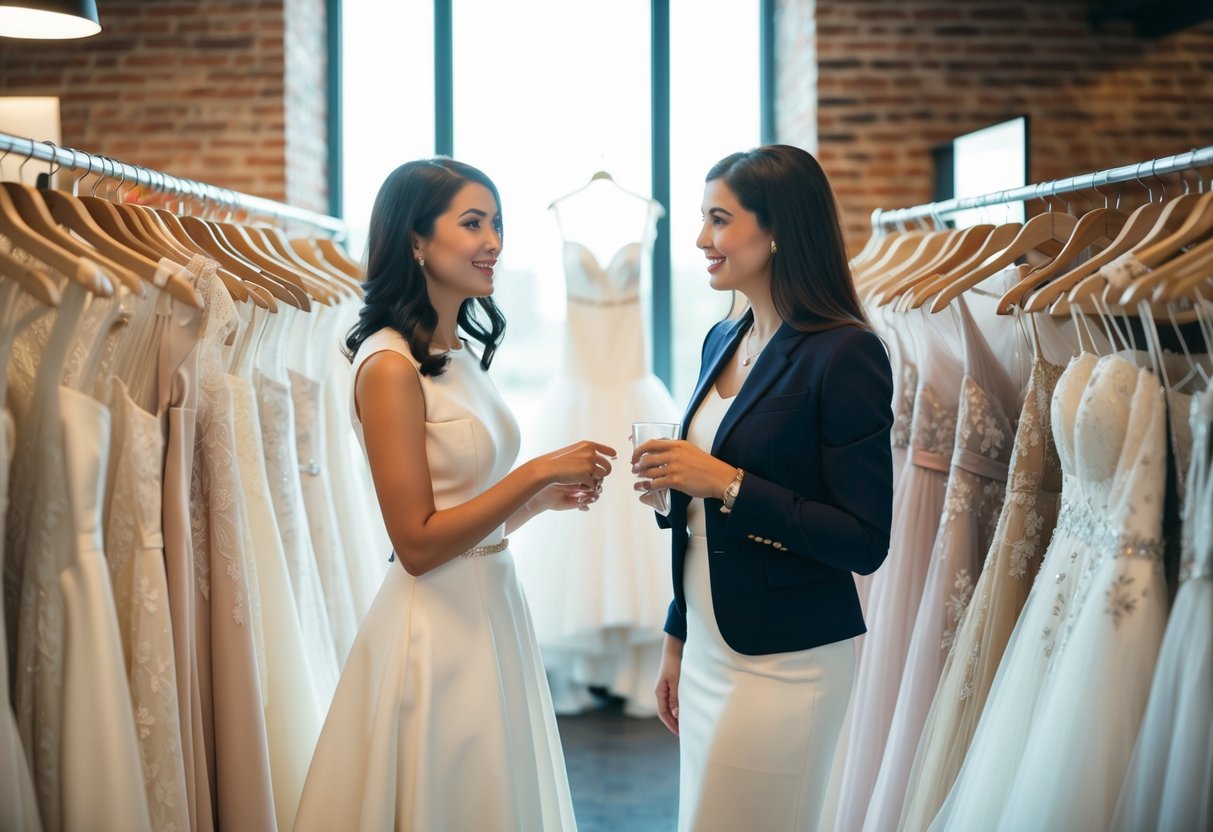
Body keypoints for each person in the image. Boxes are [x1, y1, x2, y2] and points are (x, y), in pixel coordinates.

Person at [294, 158, 614, 831]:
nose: (493, 240)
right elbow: (415, 543)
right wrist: (533, 473)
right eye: (473, 223)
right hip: (436, 627)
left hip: (490, 606)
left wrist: (536, 502)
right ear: (415, 240)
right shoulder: (387, 366)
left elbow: (462, 518)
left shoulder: (457, 348)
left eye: (496, 222)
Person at [631, 144, 894, 832]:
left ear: (776, 229)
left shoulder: (846, 352)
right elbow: (701, 522)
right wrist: (676, 636)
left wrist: (724, 483)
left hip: (787, 663)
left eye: (718, 220)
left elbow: (863, 541)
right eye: (701, 219)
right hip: (710, 645)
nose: (699, 239)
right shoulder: (722, 337)